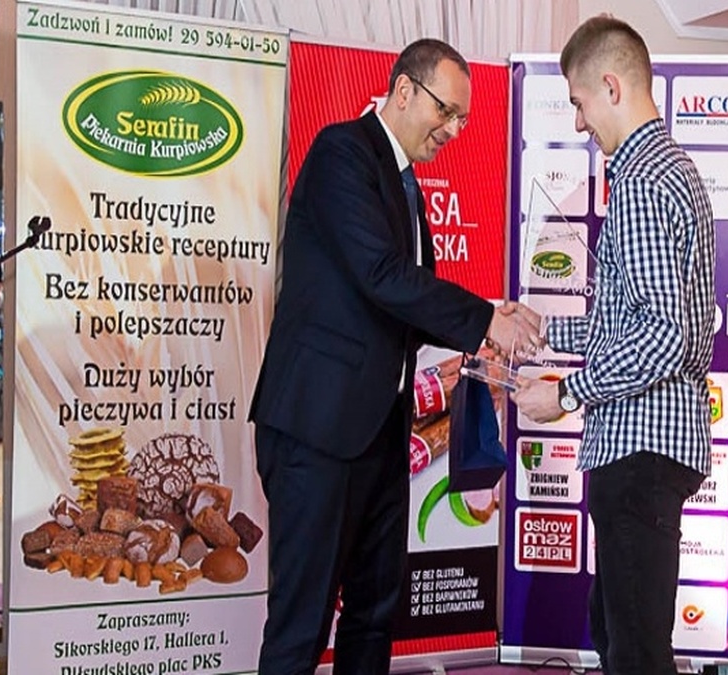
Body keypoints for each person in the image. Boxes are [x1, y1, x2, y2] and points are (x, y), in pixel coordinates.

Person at [249, 38, 541, 675]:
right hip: (318, 430)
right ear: (403, 90)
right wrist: (484, 318)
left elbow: (402, 304)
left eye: (463, 119)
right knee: (302, 625)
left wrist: (487, 322)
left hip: (381, 433)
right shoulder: (341, 153)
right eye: (446, 110)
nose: (454, 130)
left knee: (375, 613)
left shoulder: (406, 185)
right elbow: (381, 275)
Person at [510, 15, 716, 675]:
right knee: (619, 633)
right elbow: (634, 322)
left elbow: (662, 335)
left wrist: (566, 394)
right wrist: (538, 334)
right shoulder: (668, 170)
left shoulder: (642, 181)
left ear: (610, 86)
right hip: (647, 447)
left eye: (579, 102)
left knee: (634, 652)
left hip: (639, 449)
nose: (578, 122)